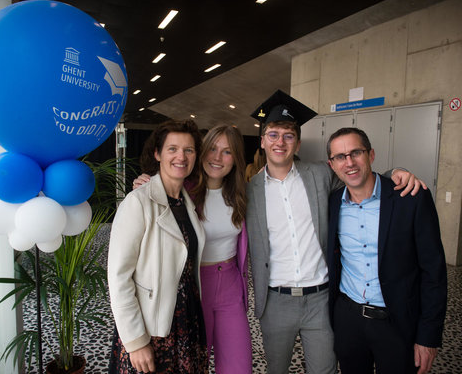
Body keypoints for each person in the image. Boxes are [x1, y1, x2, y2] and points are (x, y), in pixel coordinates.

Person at [245, 90, 426, 374]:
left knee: (325, 369)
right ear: (263, 140)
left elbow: (356, 177)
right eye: (273, 134)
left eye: (289, 135)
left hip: (320, 299)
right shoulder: (249, 192)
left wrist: (395, 173)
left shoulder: (319, 174)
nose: (281, 142)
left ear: (298, 142)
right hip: (275, 301)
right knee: (275, 370)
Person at [326, 127, 447, 374]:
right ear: (332, 164)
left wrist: (428, 337)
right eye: (340, 156)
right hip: (348, 319)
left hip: (398, 321)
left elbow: (433, 272)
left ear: (371, 155)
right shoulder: (332, 202)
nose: (349, 162)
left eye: (356, 152)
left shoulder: (410, 197)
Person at [133, 124, 252, 373]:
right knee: (193, 364)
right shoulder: (179, 191)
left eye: (227, 152)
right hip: (194, 286)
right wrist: (145, 184)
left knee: (238, 365)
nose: (217, 158)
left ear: (236, 159)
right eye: (212, 149)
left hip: (231, 286)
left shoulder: (240, 194)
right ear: (201, 153)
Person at [107, 120, 208, 374]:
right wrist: (135, 341)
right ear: (157, 153)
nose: (181, 157)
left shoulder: (186, 204)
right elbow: (119, 277)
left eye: (189, 150)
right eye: (172, 149)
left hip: (186, 319)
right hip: (151, 327)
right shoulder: (138, 202)